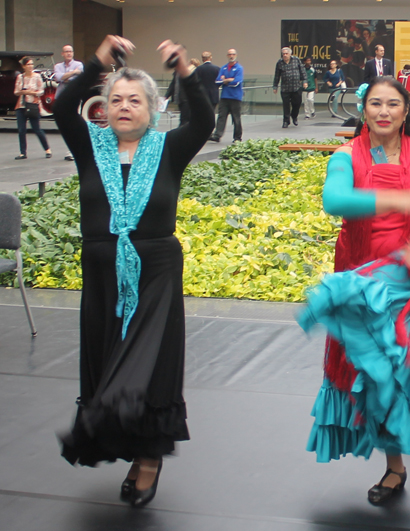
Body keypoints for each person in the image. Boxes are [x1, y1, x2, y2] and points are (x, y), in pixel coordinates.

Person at [53, 35, 214, 507]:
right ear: (103, 107)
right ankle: (127, 445)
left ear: (153, 107)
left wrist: (185, 69)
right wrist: (97, 63)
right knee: (108, 365)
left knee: (147, 367)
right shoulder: (90, 146)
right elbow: (63, 106)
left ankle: (148, 459)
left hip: (156, 271)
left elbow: (203, 118)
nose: (124, 107)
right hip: (102, 273)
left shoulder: (169, 147)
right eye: (116, 99)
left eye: (135, 100)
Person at [298, 77, 410, 505]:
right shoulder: (345, 156)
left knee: (391, 372)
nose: (383, 112)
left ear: (406, 110)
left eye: (393, 104)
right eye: (375, 103)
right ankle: (395, 464)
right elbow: (335, 200)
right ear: (364, 110)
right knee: (367, 376)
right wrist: (402, 200)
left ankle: (395, 467)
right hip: (361, 278)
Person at [13, 56, 52, 160]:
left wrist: (31, 92)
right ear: (24, 66)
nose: (30, 66)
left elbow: (41, 91)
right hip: (21, 105)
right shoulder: (20, 77)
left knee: (37, 129)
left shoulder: (37, 77)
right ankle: (23, 152)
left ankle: (47, 149)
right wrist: (23, 92)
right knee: (21, 130)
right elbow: (16, 92)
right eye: (28, 64)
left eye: (31, 64)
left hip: (33, 105)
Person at [54, 44, 84, 161]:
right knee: (65, 125)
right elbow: (58, 77)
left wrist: (66, 77)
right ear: (62, 54)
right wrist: (72, 73)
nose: (68, 53)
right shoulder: (58, 66)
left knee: (74, 123)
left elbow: (77, 78)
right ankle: (70, 149)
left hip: (74, 97)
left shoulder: (79, 65)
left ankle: (72, 151)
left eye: (70, 51)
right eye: (66, 51)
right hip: (61, 98)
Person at [208, 48, 243, 143]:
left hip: (235, 97)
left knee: (236, 118)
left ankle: (237, 137)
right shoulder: (223, 68)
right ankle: (217, 135)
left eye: (233, 54)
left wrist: (225, 80)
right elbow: (218, 81)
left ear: (236, 55)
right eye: (229, 54)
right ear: (227, 56)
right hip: (224, 97)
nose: (231, 56)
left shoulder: (239, 68)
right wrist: (229, 79)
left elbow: (236, 82)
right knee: (221, 116)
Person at [273, 47, 307, 128]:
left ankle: (294, 116)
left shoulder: (296, 60)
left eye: (286, 53)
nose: (285, 55)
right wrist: (275, 86)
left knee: (297, 103)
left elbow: (302, 71)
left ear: (290, 54)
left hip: (296, 87)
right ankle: (286, 121)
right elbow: (277, 75)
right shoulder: (279, 63)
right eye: (283, 54)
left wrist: (305, 81)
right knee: (286, 105)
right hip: (285, 88)